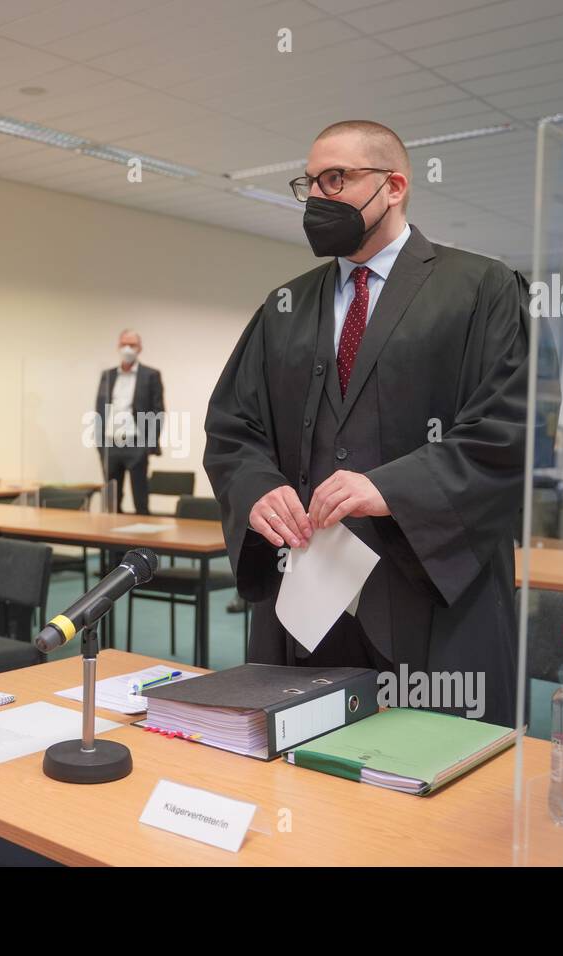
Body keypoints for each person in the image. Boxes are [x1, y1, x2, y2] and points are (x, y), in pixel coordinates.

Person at [204, 120, 532, 728]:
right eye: (310, 184)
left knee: (430, 789)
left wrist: (394, 488)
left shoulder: (482, 290)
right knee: (303, 780)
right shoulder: (286, 306)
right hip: (305, 599)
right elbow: (233, 425)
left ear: (394, 186)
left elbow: (511, 428)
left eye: (337, 178)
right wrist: (255, 489)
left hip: (431, 595)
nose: (319, 198)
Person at [95, 330, 164, 514]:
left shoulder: (150, 375)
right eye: (124, 344)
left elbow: (158, 411)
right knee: (111, 501)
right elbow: (100, 409)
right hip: (111, 442)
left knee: (140, 498)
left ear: (139, 348)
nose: (127, 348)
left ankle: (144, 542)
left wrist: (148, 445)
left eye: (132, 345)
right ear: (118, 346)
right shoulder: (108, 375)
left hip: (136, 442)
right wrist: (100, 443)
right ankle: (110, 542)